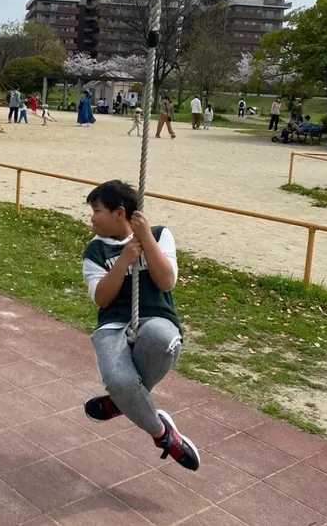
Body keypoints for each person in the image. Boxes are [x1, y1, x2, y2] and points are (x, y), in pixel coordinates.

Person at [82, 180, 200, 472]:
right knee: (120, 381)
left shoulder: (159, 235)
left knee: (164, 339)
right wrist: (122, 262)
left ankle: (120, 403)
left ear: (119, 213)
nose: (91, 217)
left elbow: (166, 281)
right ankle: (163, 435)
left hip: (156, 317)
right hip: (113, 325)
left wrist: (146, 238)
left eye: (97, 210)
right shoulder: (95, 251)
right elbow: (102, 299)